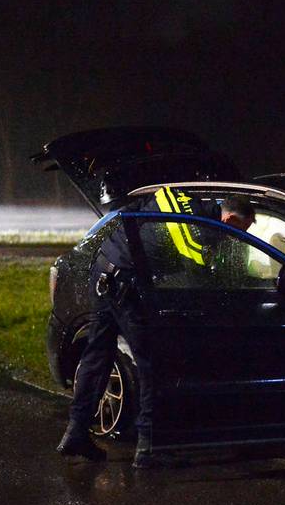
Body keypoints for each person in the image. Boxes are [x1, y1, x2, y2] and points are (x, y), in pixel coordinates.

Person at [57, 188, 255, 468]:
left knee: (97, 354)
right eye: (240, 231)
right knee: (153, 362)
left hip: (104, 270)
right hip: (125, 283)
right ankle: (149, 447)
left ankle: (76, 433)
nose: (239, 238)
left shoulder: (184, 199)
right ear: (230, 218)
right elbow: (197, 264)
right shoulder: (194, 224)